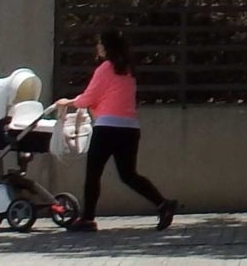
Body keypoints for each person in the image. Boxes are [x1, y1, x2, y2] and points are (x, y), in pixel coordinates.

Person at [53, 30, 177, 231]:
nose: (97, 47)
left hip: (107, 128)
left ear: (106, 47)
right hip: (129, 129)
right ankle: (163, 204)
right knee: (129, 174)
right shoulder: (128, 70)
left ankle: (88, 219)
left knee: (93, 174)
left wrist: (67, 102)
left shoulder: (105, 68)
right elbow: (110, 99)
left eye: (100, 43)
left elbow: (89, 97)